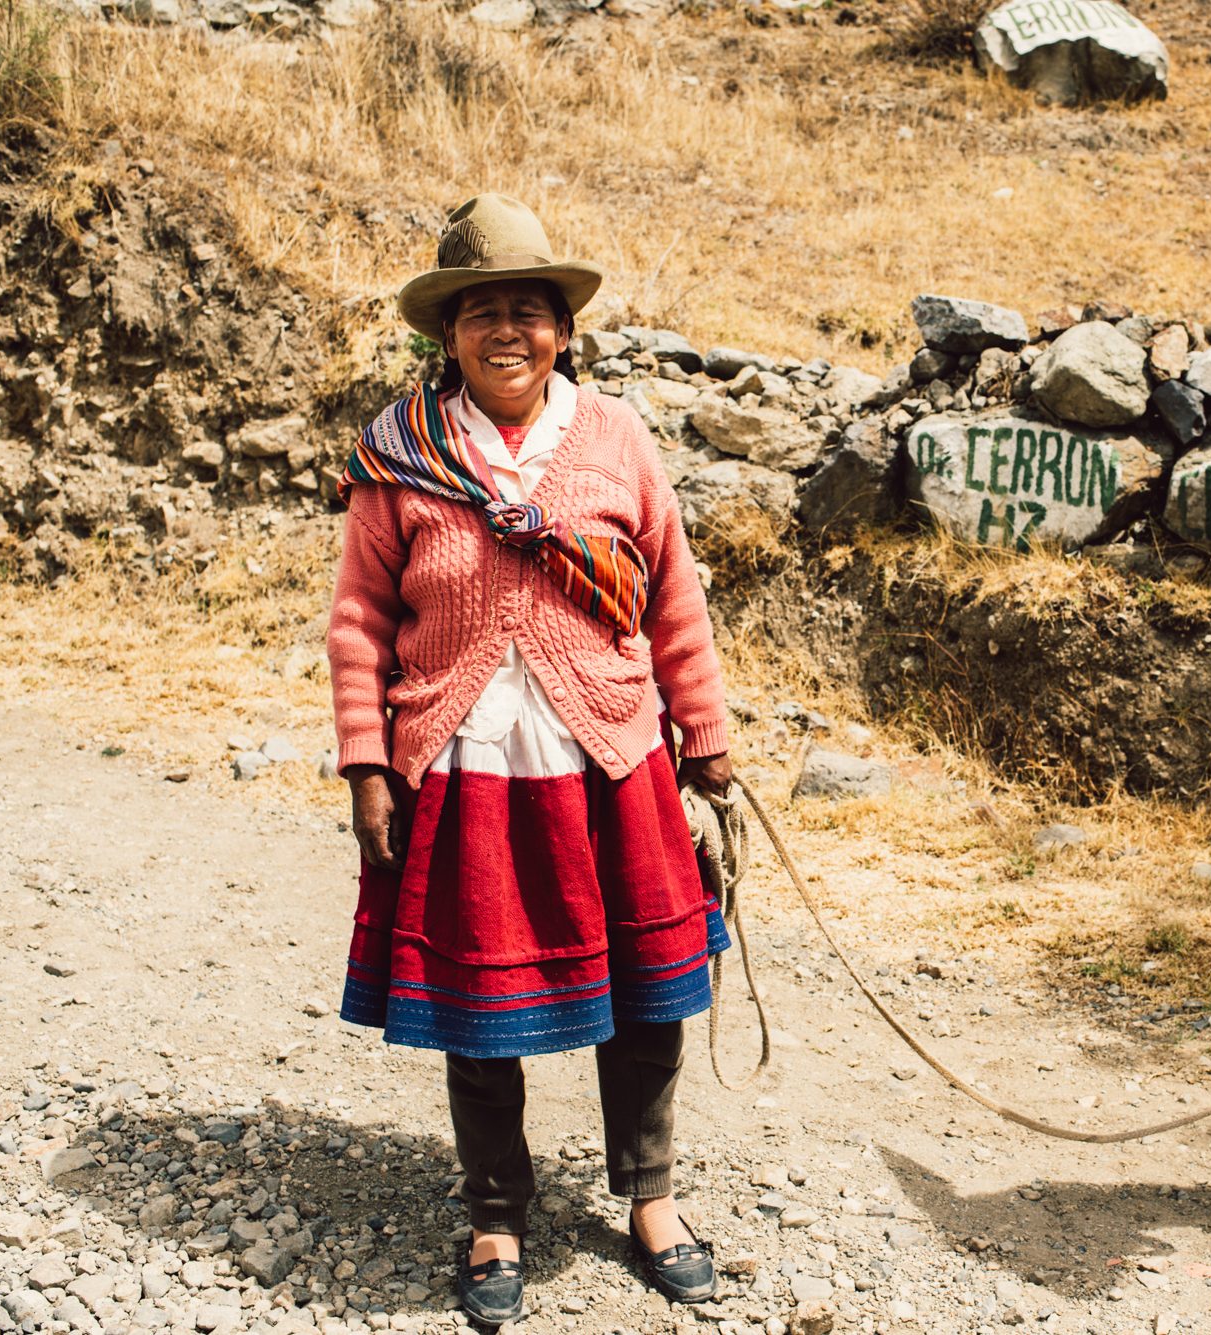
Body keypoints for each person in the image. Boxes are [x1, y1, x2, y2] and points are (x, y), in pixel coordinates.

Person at [326, 193, 733, 1323]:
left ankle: (649, 1197)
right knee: (470, 1002)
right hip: (459, 767)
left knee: (649, 996)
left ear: (562, 328)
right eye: (480, 313)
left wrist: (704, 744)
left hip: (607, 759)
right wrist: (368, 763)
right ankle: (495, 1211)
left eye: (527, 311)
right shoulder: (399, 457)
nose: (505, 332)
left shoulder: (615, 442)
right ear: (446, 335)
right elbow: (361, 620)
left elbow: (676, 604)